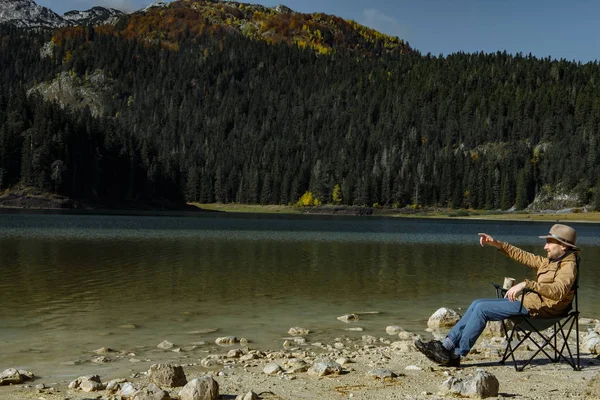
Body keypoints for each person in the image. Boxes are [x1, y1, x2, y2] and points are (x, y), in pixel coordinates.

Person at [415, 223, 580, 367]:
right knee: (477, 303)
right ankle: (446, 346)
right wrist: (497, 244)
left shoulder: (568, 267)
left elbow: (559, 291)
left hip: (542, 312)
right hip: (532, 303)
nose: (545, 247)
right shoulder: (553, 261)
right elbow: (525, 257)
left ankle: (457, 355)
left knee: (482, 310)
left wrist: (527, 284)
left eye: (549, 243)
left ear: (563, 246)